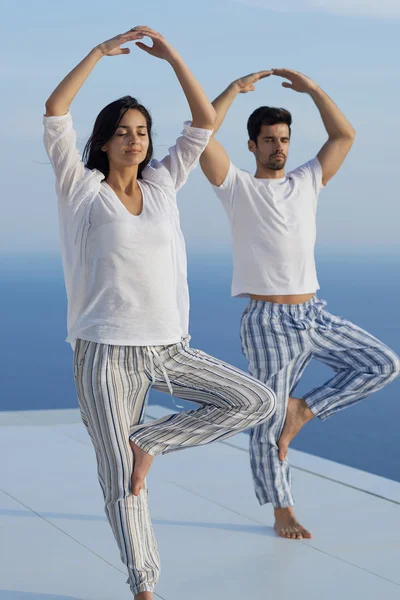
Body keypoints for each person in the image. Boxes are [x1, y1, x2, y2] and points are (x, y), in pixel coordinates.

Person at [43, 28, 277, 599]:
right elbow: (55, 110)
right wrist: (98, 53)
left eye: (142, 132)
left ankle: (153, 441)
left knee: (256, 400)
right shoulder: (81, 189)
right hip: (105, 352)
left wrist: (173, 57)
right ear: (102, 142)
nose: (134, 140)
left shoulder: (165, 183)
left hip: (169, 346)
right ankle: (144, 586)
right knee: (122, 482)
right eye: (122, 133)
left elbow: (202, 120)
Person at [200, 68, 400, 541]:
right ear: (252, 145)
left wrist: (312, 91)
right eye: (269, 140)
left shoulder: (307, 180)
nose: (279, 147)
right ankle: (281, 509)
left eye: (284, 139)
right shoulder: (236, 187)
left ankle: (304, 411)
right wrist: (232, 90)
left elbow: (343, 134)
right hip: (268, 321)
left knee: (383, 364)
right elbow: (201, 134)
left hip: (313, 312)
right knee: (266, 419)